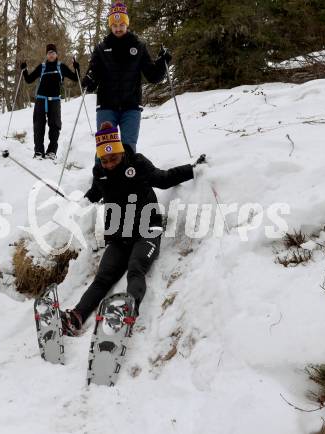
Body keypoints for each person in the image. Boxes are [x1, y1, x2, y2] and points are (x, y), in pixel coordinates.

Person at [60, 121, 204, 336]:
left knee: (136, 268)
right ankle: (76, 317)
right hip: (119, 235)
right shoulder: (100, 171)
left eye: (113, 158)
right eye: (105, 160)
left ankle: (128, 310)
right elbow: (95, 192)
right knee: (102, 278)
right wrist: (79, 202)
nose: (109, 164)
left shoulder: (137, 164)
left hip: (148, 229)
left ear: (120, 152)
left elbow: (164, 179)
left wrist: (193, 169)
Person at [81, 2, 172, 152]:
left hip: (131, 106)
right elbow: (92, 79)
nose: (118, 28)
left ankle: (128, 175)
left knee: (128, 148)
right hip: (106, 105)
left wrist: (163, 61)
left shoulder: (138, 46)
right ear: (110, 25)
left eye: (121, 24)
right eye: (115, 25)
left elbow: (153, 76)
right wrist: (89, 79)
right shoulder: (101, 48)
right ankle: (101, 175)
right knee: (106, 148)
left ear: (127, 24)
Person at [21, 44, 80, 159]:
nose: (51, 55)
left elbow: (75, 78)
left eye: (53, 52)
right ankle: (38, 151)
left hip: (55, 100)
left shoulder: (61, 67)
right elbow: (29, 80)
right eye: (49, 53)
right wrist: (24, 70)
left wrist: (76, 67)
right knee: (38, 126)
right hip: (41, 100)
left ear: (56, 54)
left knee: (55, 126)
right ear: (46, 55)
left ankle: (51, 152)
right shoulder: (42, 67)